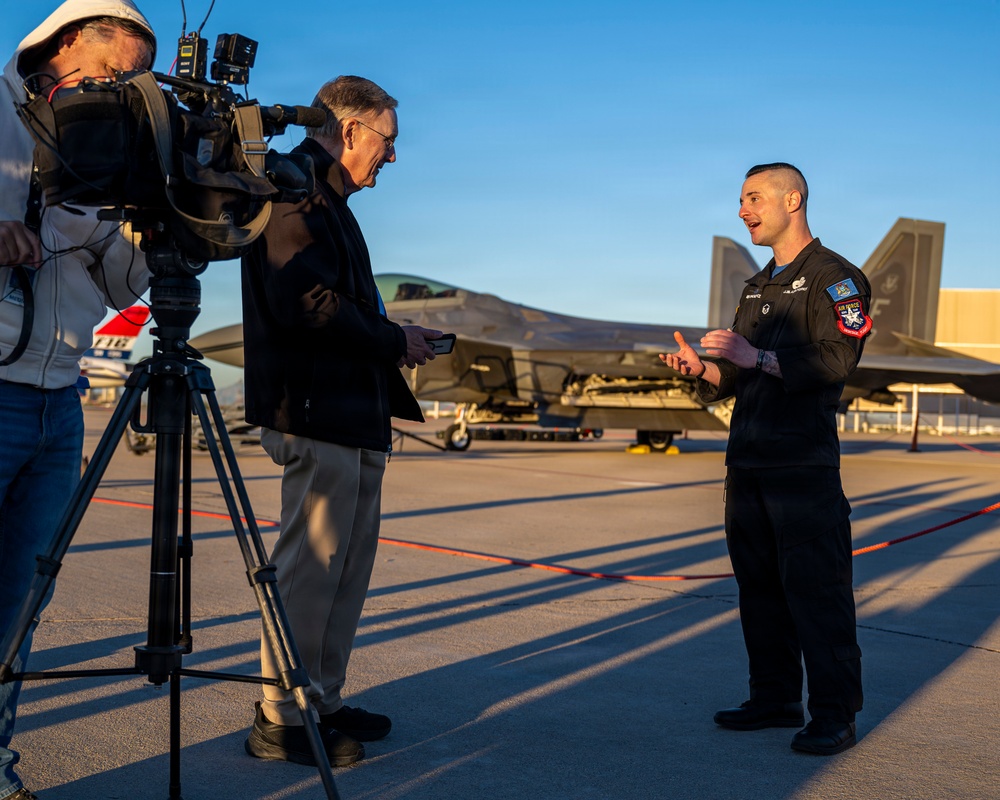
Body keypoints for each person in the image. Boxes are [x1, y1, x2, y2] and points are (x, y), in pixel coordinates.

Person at [241, 75, 441, 767]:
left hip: (353, 410)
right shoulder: (292, 186)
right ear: (350, 129)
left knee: (346, 568)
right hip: (315, 407)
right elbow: (305, 301)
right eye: (388, 140)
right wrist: (392, 341)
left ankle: (320, 697)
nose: (392, 156)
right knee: (310, 567)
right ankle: (281, 715)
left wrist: (394, 337)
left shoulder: (332, 200)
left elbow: (334, 302)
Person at [0, 3, 156, 799]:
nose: (118, 91)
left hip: (59, 402)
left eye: (131, 83)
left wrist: (146, 221)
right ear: (63, 46)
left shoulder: (105, 155)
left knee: (22, 599)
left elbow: (126, 285)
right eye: (109, 73)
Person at [661, 163, 870, 755]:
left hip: (801, 469)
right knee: (759, 589)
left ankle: (834, 713)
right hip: (747, 465)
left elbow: (835, 363)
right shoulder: (757, 287)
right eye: (741, 199)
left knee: (818, 593)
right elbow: (737, 373)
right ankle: (775, 697)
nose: (742, 209)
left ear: (792, 199)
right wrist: (704, 371)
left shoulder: (837, 280)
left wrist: (754, 359)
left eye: (753, 198)